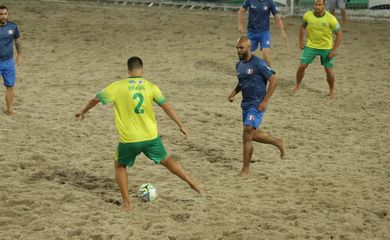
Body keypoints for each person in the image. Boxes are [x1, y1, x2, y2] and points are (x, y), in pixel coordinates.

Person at [75, 57, 202, 211]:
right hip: (150, 137)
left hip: (129, 140)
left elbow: (95, 99)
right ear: (142, 70)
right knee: (167, 160)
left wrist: (83, 111)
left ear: (128, 70)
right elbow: (166, 106)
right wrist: (180, 124)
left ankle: (127, 203)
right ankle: (192, 182)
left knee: (120, 165)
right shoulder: (151, 86)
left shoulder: (117, 86)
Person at [228, 36, 285, 177]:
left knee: (247, 132)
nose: (238, 50)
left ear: (249, 48)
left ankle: (245, 170)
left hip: (257, 104)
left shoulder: (259, 63)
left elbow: (274, 80)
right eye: (237, 48)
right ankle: (277, 142)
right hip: (245, 104)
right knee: (251, 134)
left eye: (241, 48)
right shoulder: (239, 65)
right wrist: (234, 93)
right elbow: (243, 82)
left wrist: (265, 101)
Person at [292, 0, 342, 99]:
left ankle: (331, 90)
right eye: (316, 4)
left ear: (324, 6)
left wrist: (333, 50)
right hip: (311, 46)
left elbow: (339, 34)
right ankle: (298, 85)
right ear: (313, 5)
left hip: (326, 47)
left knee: (328, 70)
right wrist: (301, 41)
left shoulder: (331, 18)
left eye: (320, 5)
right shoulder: (307, 15)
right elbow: (302, 27)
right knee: (302, 66)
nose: (317, 7)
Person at [238, 0, 287, 67]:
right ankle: (245, 72)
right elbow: (241, 11)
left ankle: (270, 73)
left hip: (264, 33)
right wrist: (240, 25)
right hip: (252, 32)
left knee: (265, 55)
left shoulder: (270, 2)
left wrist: (282, 31)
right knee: (246, 55)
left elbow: (277, 17)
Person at [0, 5, 23, 115]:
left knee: (10, 86)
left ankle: (9, 110)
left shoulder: (12, 27)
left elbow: (17, 40)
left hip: (8, 62)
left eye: (5, 14)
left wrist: (19, 54)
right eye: (1, 14)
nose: (3, 16)